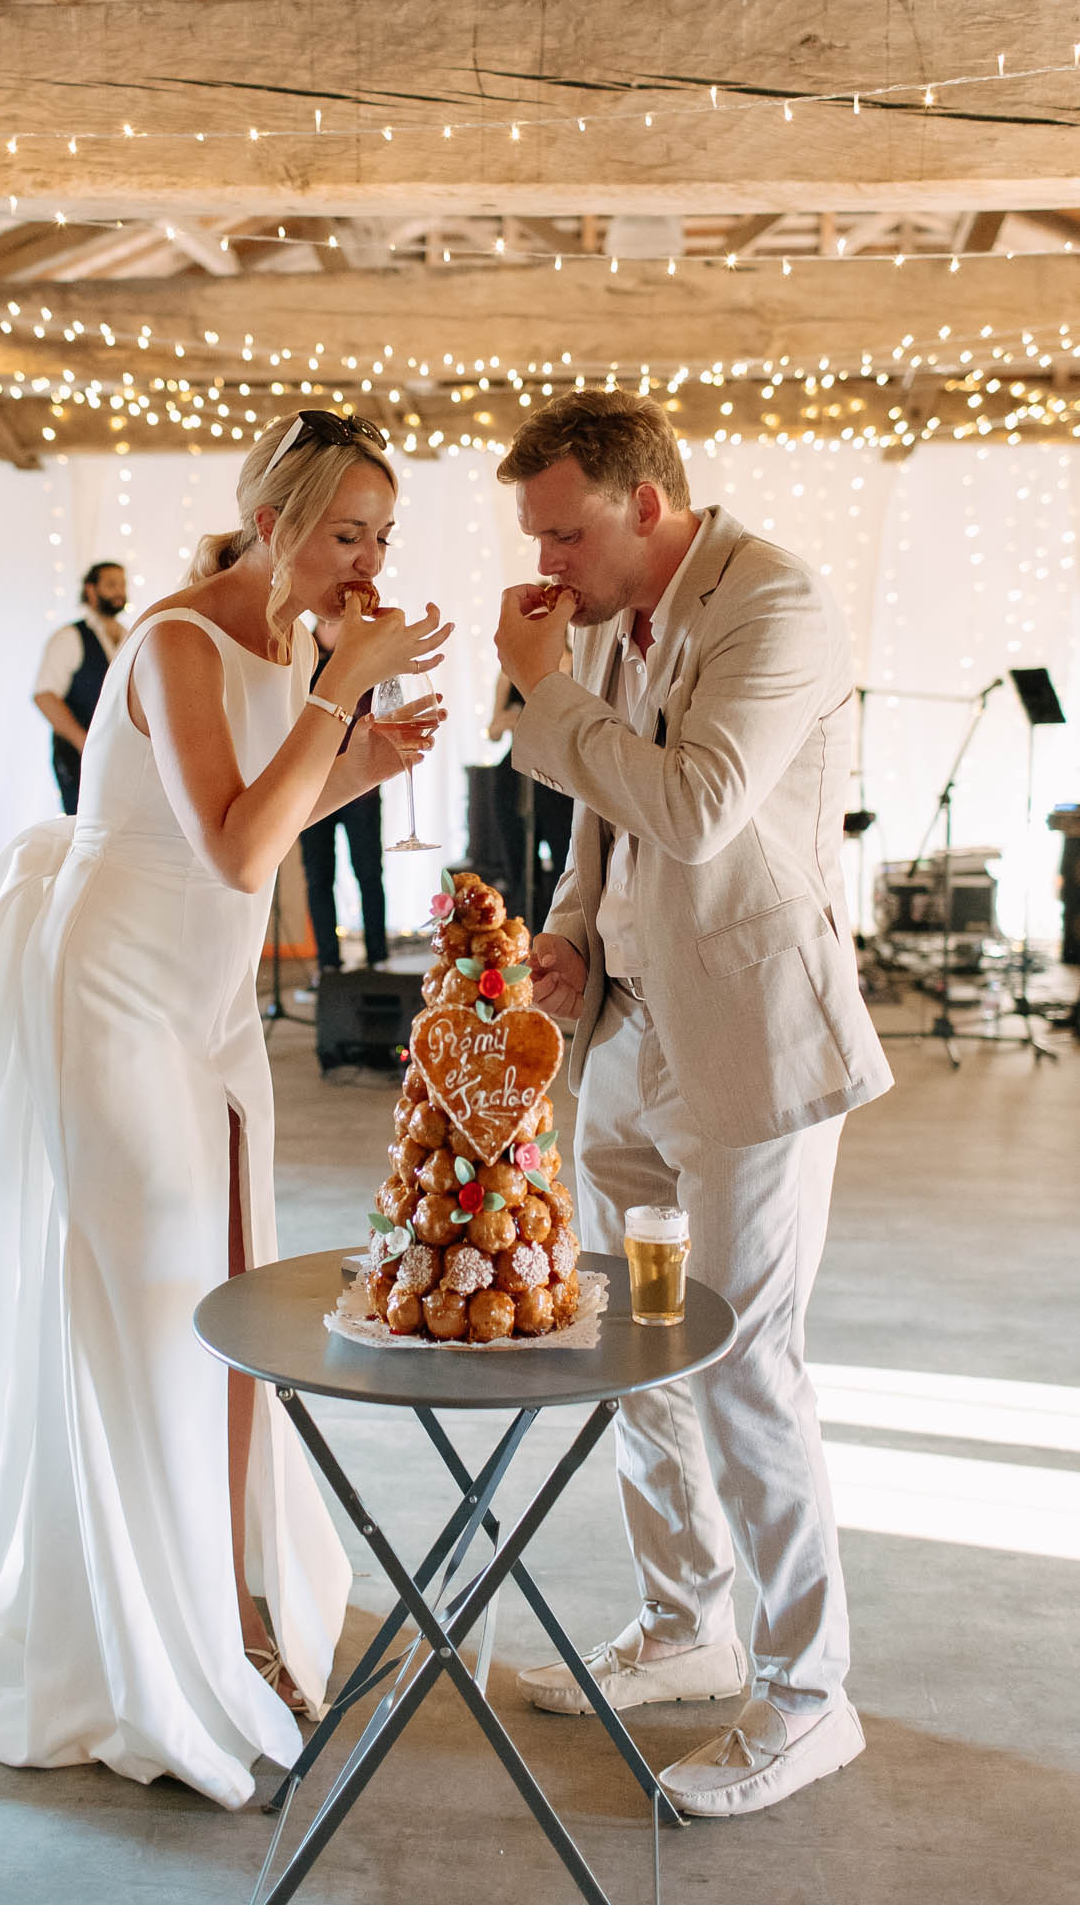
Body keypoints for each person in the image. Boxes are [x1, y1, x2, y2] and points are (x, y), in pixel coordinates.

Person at [0, 410, 451, 1808]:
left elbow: (257, 817)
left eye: (381, 536)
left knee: (234, 1286)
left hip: (209, 1005)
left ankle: (227, 1593)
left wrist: (364, 753)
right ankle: (140, 1629)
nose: (365, 560)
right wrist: (334, 693)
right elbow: (237, 851)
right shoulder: (175, 638)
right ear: (276, 521)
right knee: (146, 1286)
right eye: (345, 532)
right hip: (115, 990)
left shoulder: (294, 642)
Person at [493, 388, 892, 1820]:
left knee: (742, 1359)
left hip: (752, 1041)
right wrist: (573, 933)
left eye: (564, 529)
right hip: (626, 1034)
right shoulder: (607, 618)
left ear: (645, 505)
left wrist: (546, 697)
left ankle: (807, 1699)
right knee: (635, 1344)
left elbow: (700, 805)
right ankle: (686, 1626)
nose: (547, 559)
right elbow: (607, 836)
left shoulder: (774, 602)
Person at [298, 614, 387, 982]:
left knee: (369, 873)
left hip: (361, 783)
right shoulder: (297, 646)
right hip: (309, 780)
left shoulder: (365, 645)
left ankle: (379, 960)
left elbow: (383, 700)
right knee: (319, 877)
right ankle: (328, 966)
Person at [33, 559, 128, 814]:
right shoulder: (70, 637)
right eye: (111, 585)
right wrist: (84, 742)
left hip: (120, 757)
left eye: (122, 584)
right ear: (91, 590)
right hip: (77, 758)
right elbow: (45, 696)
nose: (119, 591)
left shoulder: (130, 636)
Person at [487, 664, 574, 928]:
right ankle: (524, 936)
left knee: (566, 861)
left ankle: (563, 934)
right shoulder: (510, 670)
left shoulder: (575, 663)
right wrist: (509, 719)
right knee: (519, 865)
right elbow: (493, 732)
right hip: (516, 775)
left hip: (558, 776)